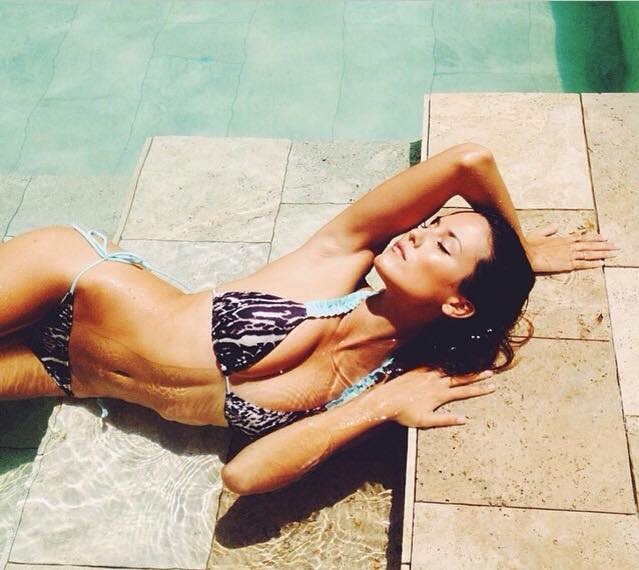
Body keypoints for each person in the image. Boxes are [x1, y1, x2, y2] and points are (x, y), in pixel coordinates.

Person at [0, 143, 616, 495]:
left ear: (458, 303)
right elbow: (468, 163)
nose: (416, 234)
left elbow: (243, 475)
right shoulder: (332, 263)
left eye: (442, 244)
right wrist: (521, 252)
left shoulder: (376, 386)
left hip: (65, 374)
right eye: (431, 224)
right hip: (70, 278)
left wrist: (378, 408)